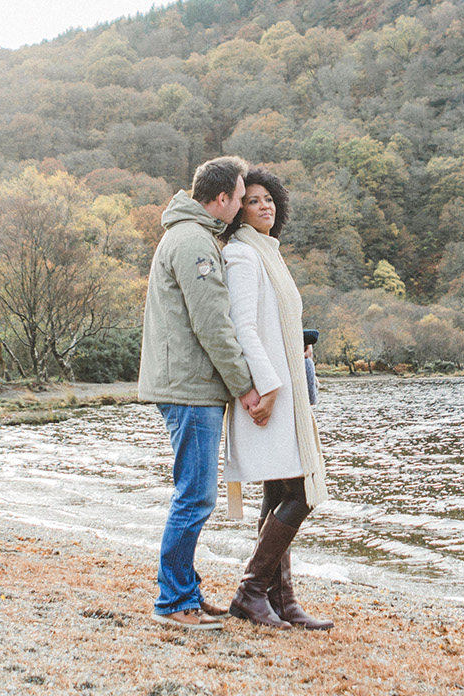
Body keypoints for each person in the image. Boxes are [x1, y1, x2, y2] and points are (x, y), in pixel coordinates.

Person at [137, 156, 270, 631]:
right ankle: (173, 602)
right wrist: (246, 387)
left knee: (192, 494)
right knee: (194, 497)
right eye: (239, 197)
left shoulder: (187, 234)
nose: (241, 206)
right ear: (220, 200)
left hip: (186, 384)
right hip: (189, 387)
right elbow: (213, 324)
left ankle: (183, 592)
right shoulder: (194, 240)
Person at [220, 166, 333, 630]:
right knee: (300, 491)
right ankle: (251, 591)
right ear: (238, 210)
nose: (264, 205)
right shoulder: (244, 255)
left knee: (279, 489)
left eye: (269, 199)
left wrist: (298, 346)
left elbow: (271, 323)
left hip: (282, 385)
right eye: (253, 200)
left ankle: (281, 600)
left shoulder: (269, 253)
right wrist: (266, 389)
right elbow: (243, 328)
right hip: (269, 393)